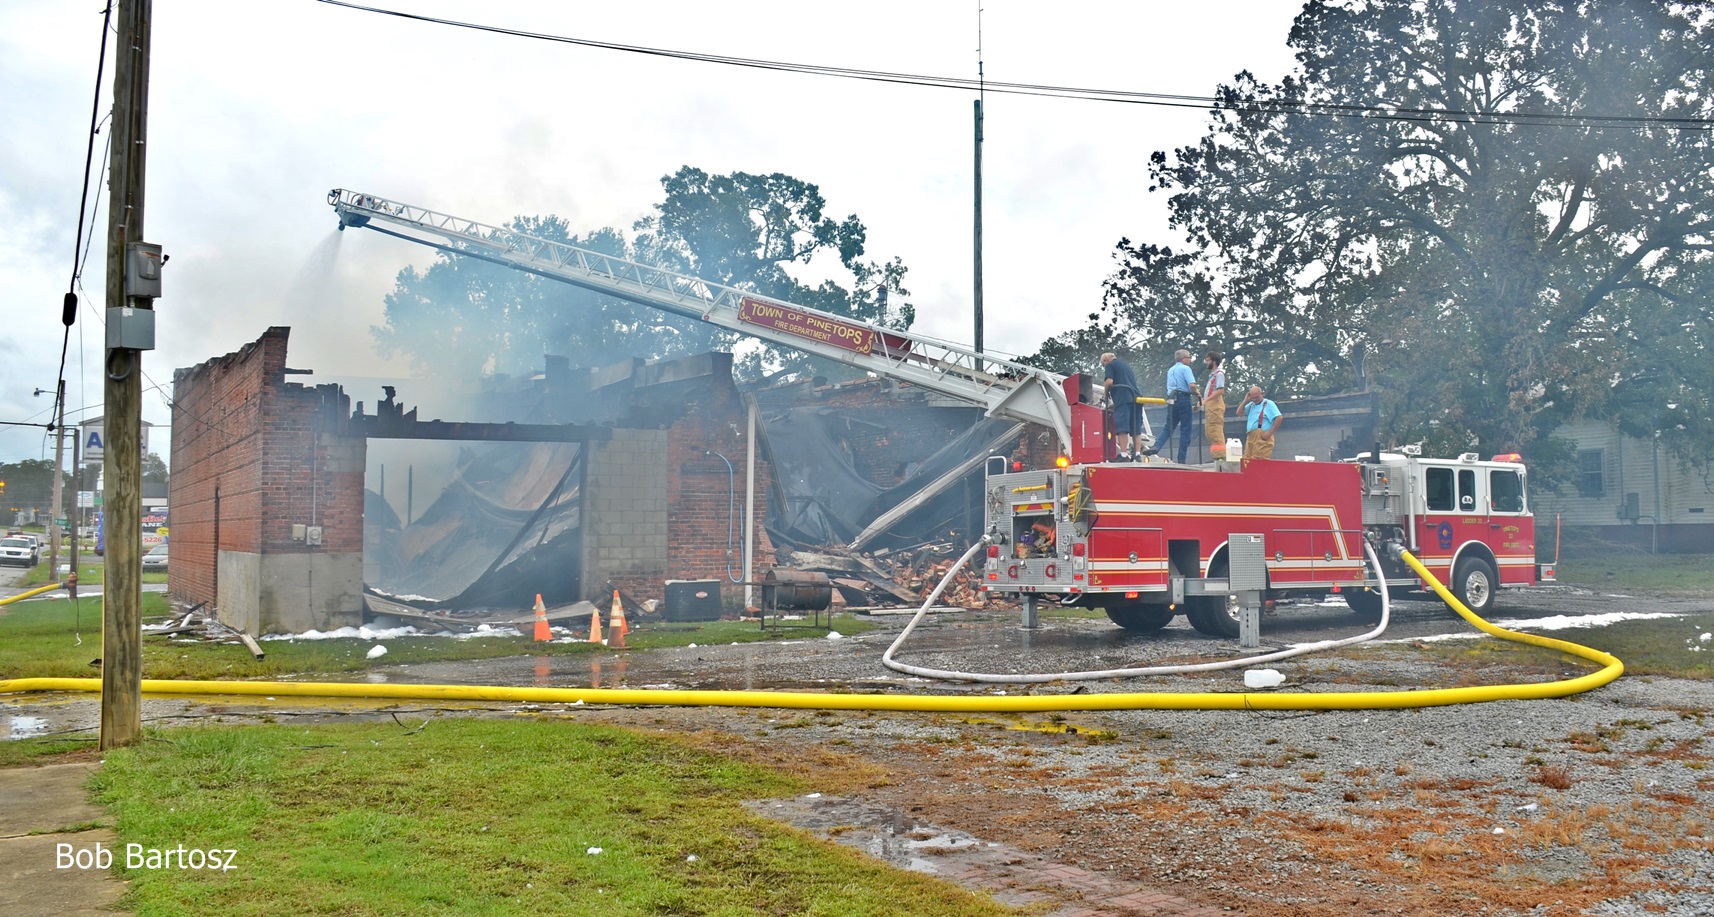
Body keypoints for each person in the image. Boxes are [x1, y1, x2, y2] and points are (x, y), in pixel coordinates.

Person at [1100, 352, 1142, 460]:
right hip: (1136, 399)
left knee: (1122, 428)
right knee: (1136, 429)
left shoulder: (1110, 365)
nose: (1104, 367)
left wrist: (1105, 394)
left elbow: (1109, 382)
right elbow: (1127, 385)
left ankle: (1124, 455)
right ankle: (1137, 455)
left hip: (1124, 400)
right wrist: (1115, 404)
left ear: (1105, 360)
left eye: (1103, 365)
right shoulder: (1126, 366)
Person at [1158, 349, 1197, 463]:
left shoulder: (1170, 370)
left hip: (1171, 400)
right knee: (1185, 430)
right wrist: (1196, 393)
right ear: (1183, 359)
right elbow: (1192, 385)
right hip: (1183, 398)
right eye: (1189, 357)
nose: (1190, 360)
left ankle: (1156, 446)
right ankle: (1181, 458)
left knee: (1168, 427)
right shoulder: (1186, 368)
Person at [1241, 385, 1283, 466]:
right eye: (1253, 398)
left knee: (1258, 460)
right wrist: (1245, 400)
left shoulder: (1268, 403)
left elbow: (1279, 417)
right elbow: (1239, 413)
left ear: (1262, 394)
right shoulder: (1251, 405)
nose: (1255, 400)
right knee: (1246, 461)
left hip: (1261, 435)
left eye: (1256, 397)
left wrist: (1270, 432)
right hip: (1250, 436)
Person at [1201, 350, 1227, 457]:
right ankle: (1216, 455)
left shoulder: (1219, 374)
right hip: (1210, 405)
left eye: (1208, 360)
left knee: (1216, 431)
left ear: (1214, 361)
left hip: (1215, 405)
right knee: (1210, 431)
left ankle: (1220, 456)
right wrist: (1203, 400)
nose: (1206, 363)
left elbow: (1220, 390)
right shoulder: (1212, 376)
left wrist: (1206, 400)